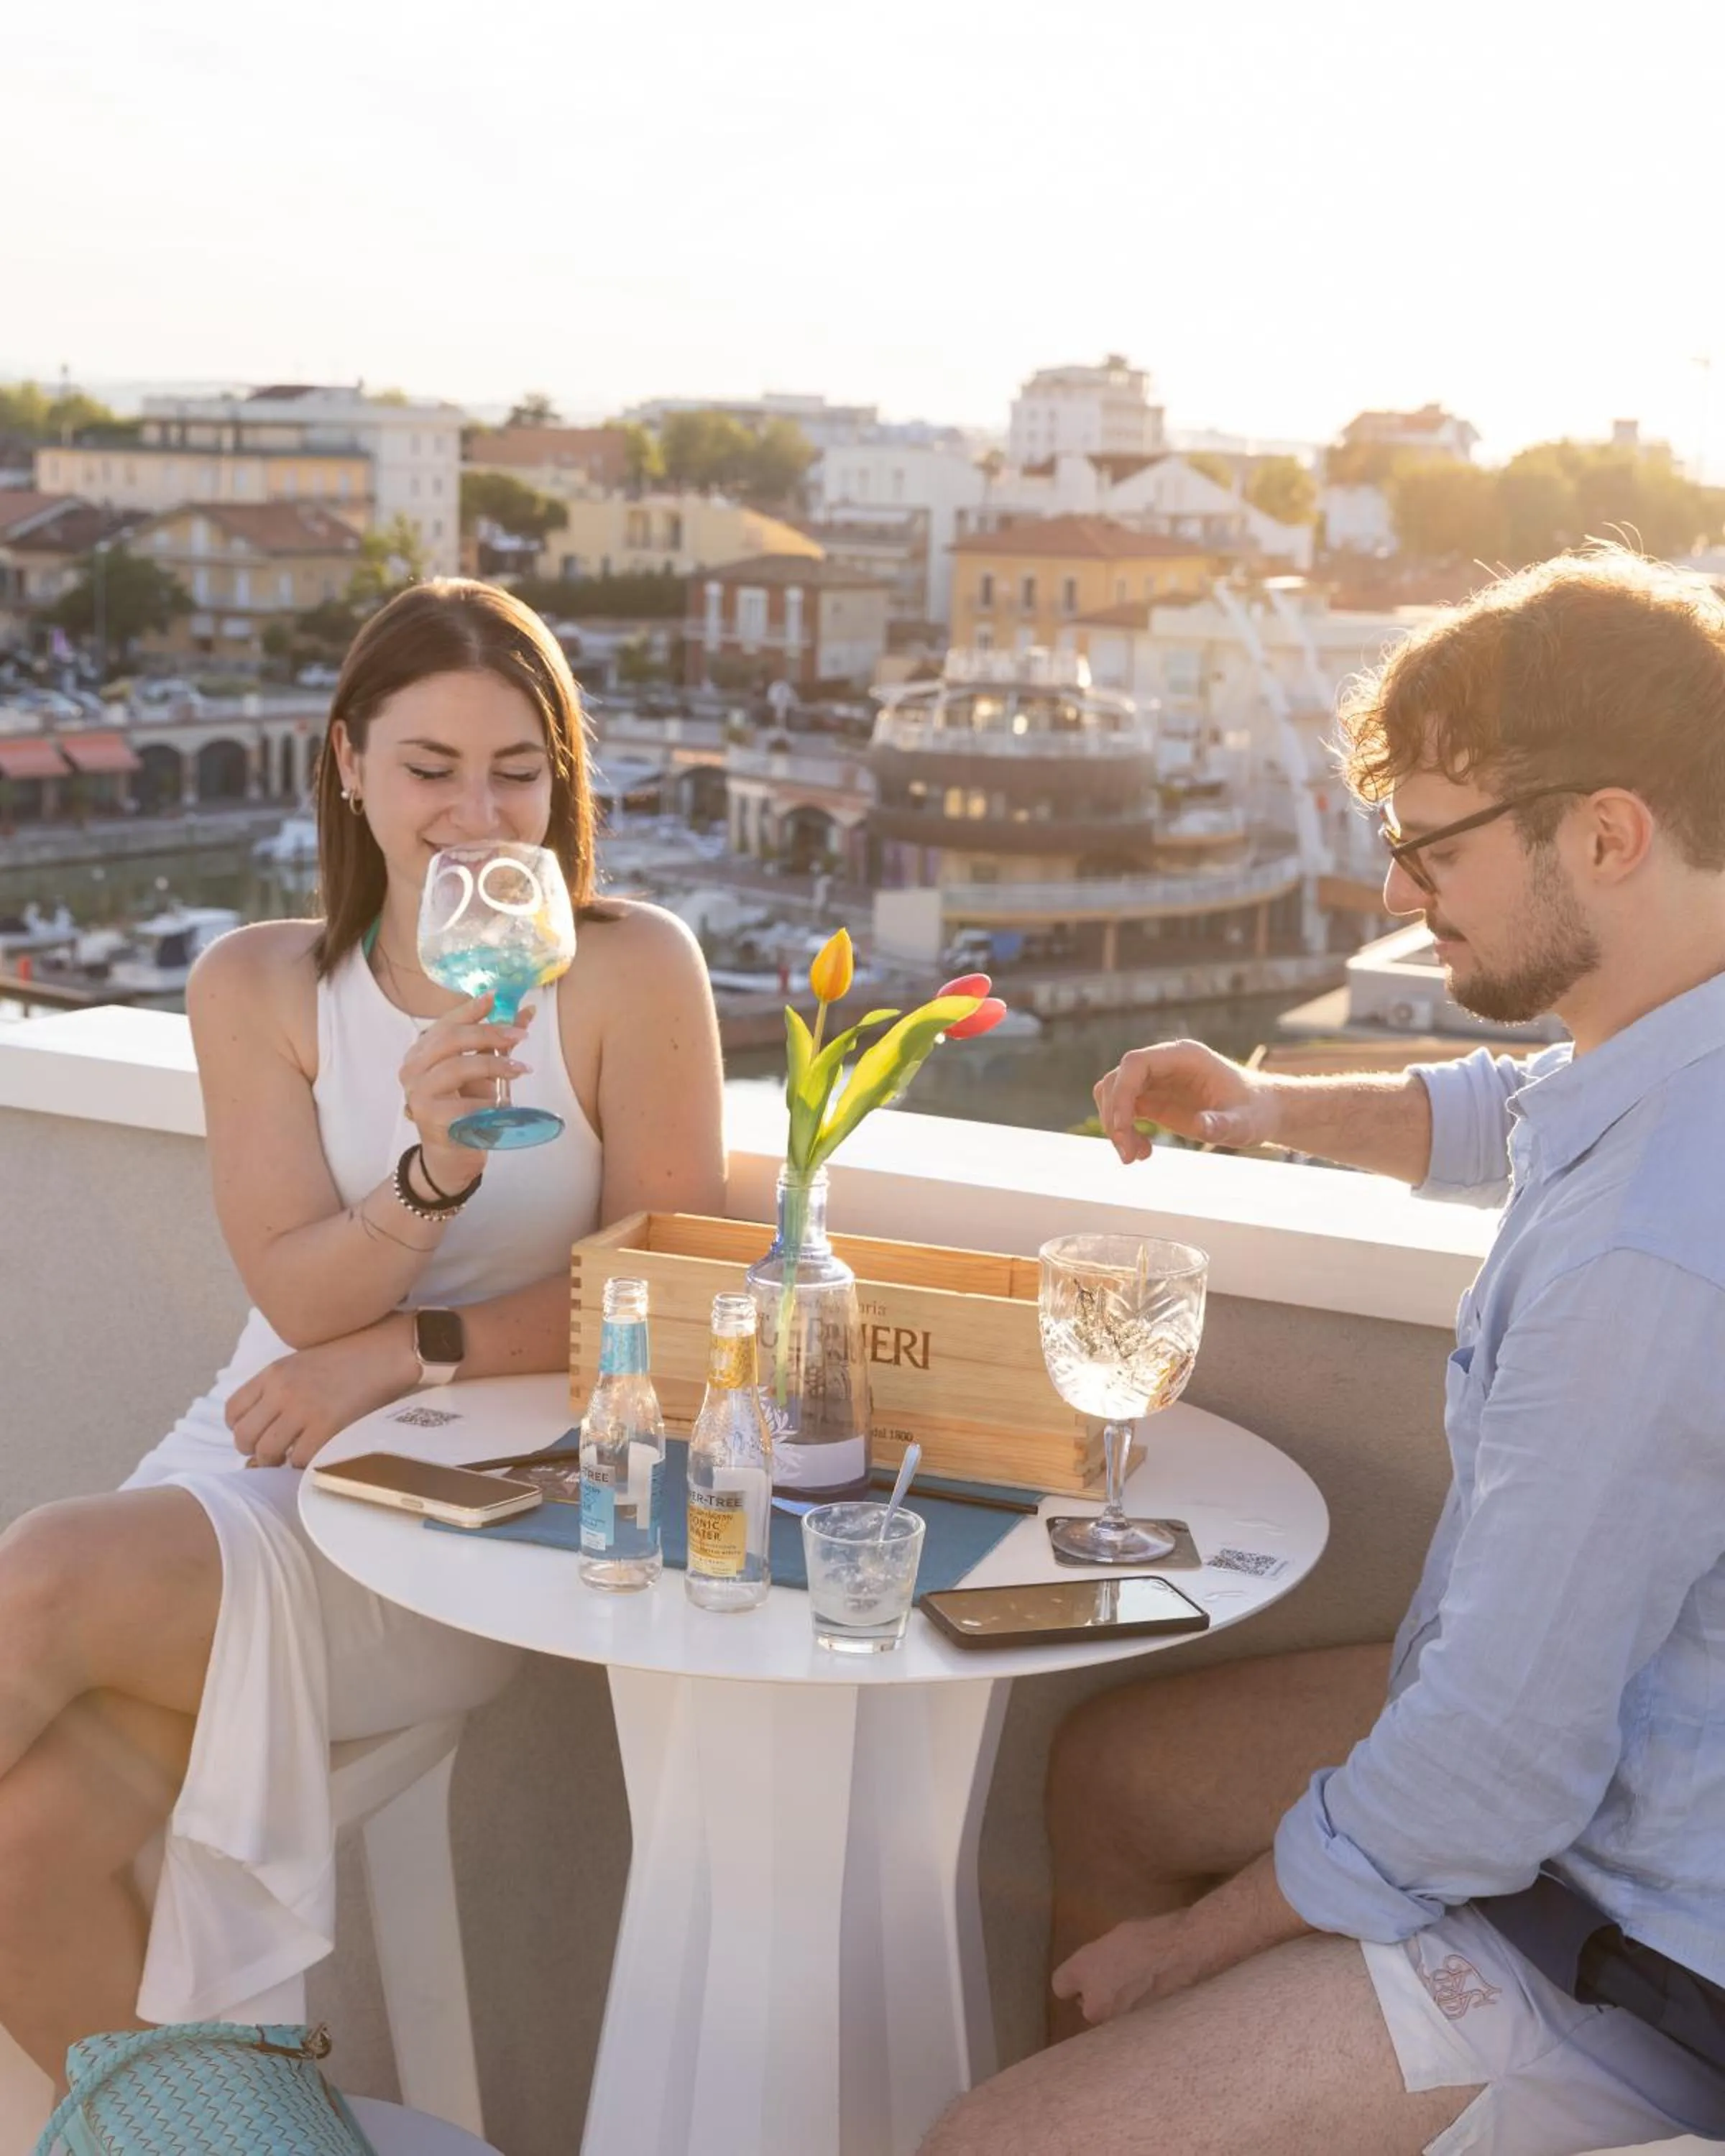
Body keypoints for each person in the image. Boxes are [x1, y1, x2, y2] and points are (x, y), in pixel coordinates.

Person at [923, 546, 1725, 2156]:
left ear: (1608, 834)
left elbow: (1496, 1768)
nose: (1396, 896)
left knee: (982, 2147)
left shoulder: (1653, 1255)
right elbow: (1528, 1115)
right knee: (1121, 1774)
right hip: (1615, 1742)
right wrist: (1274, 1109)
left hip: (1638, 1938)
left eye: (1431, 849)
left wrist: (1190, 1950)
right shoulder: (1663, 1058)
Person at [0, 581, 726, 2083]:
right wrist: (436, 1168)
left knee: (47, 1568)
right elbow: (300, 1302)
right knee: (17, 1861)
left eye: (516, 771)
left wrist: (409, 1353)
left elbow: (673, 1305)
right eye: (430, 768)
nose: (477, 813)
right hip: (253, 1450)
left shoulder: (630, 969)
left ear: (563, 778)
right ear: (347, 763)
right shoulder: (258, 984)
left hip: (456, 1518)